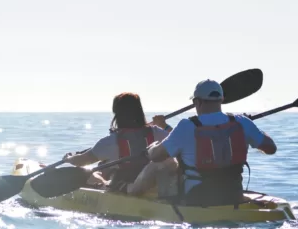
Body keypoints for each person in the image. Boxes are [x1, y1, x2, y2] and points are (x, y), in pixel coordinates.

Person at [140, 79, 277, 206]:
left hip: (198, 198)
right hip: (233, 195)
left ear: (197, 102)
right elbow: (271, 148)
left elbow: (156, 156)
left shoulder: (186, 126)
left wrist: (151, 148)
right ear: (221, 100)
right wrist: (252, 128)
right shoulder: (242, 122)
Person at [62, 92, 173, 192]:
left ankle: (103, 183)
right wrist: (164, 126)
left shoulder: (110, 142)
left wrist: (69, 158)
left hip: (124, 187)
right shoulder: (158, 133)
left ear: (117, 114)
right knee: (105, 169)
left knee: (93, 173)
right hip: (152, 184)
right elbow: (179, 141)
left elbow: (81, 161)